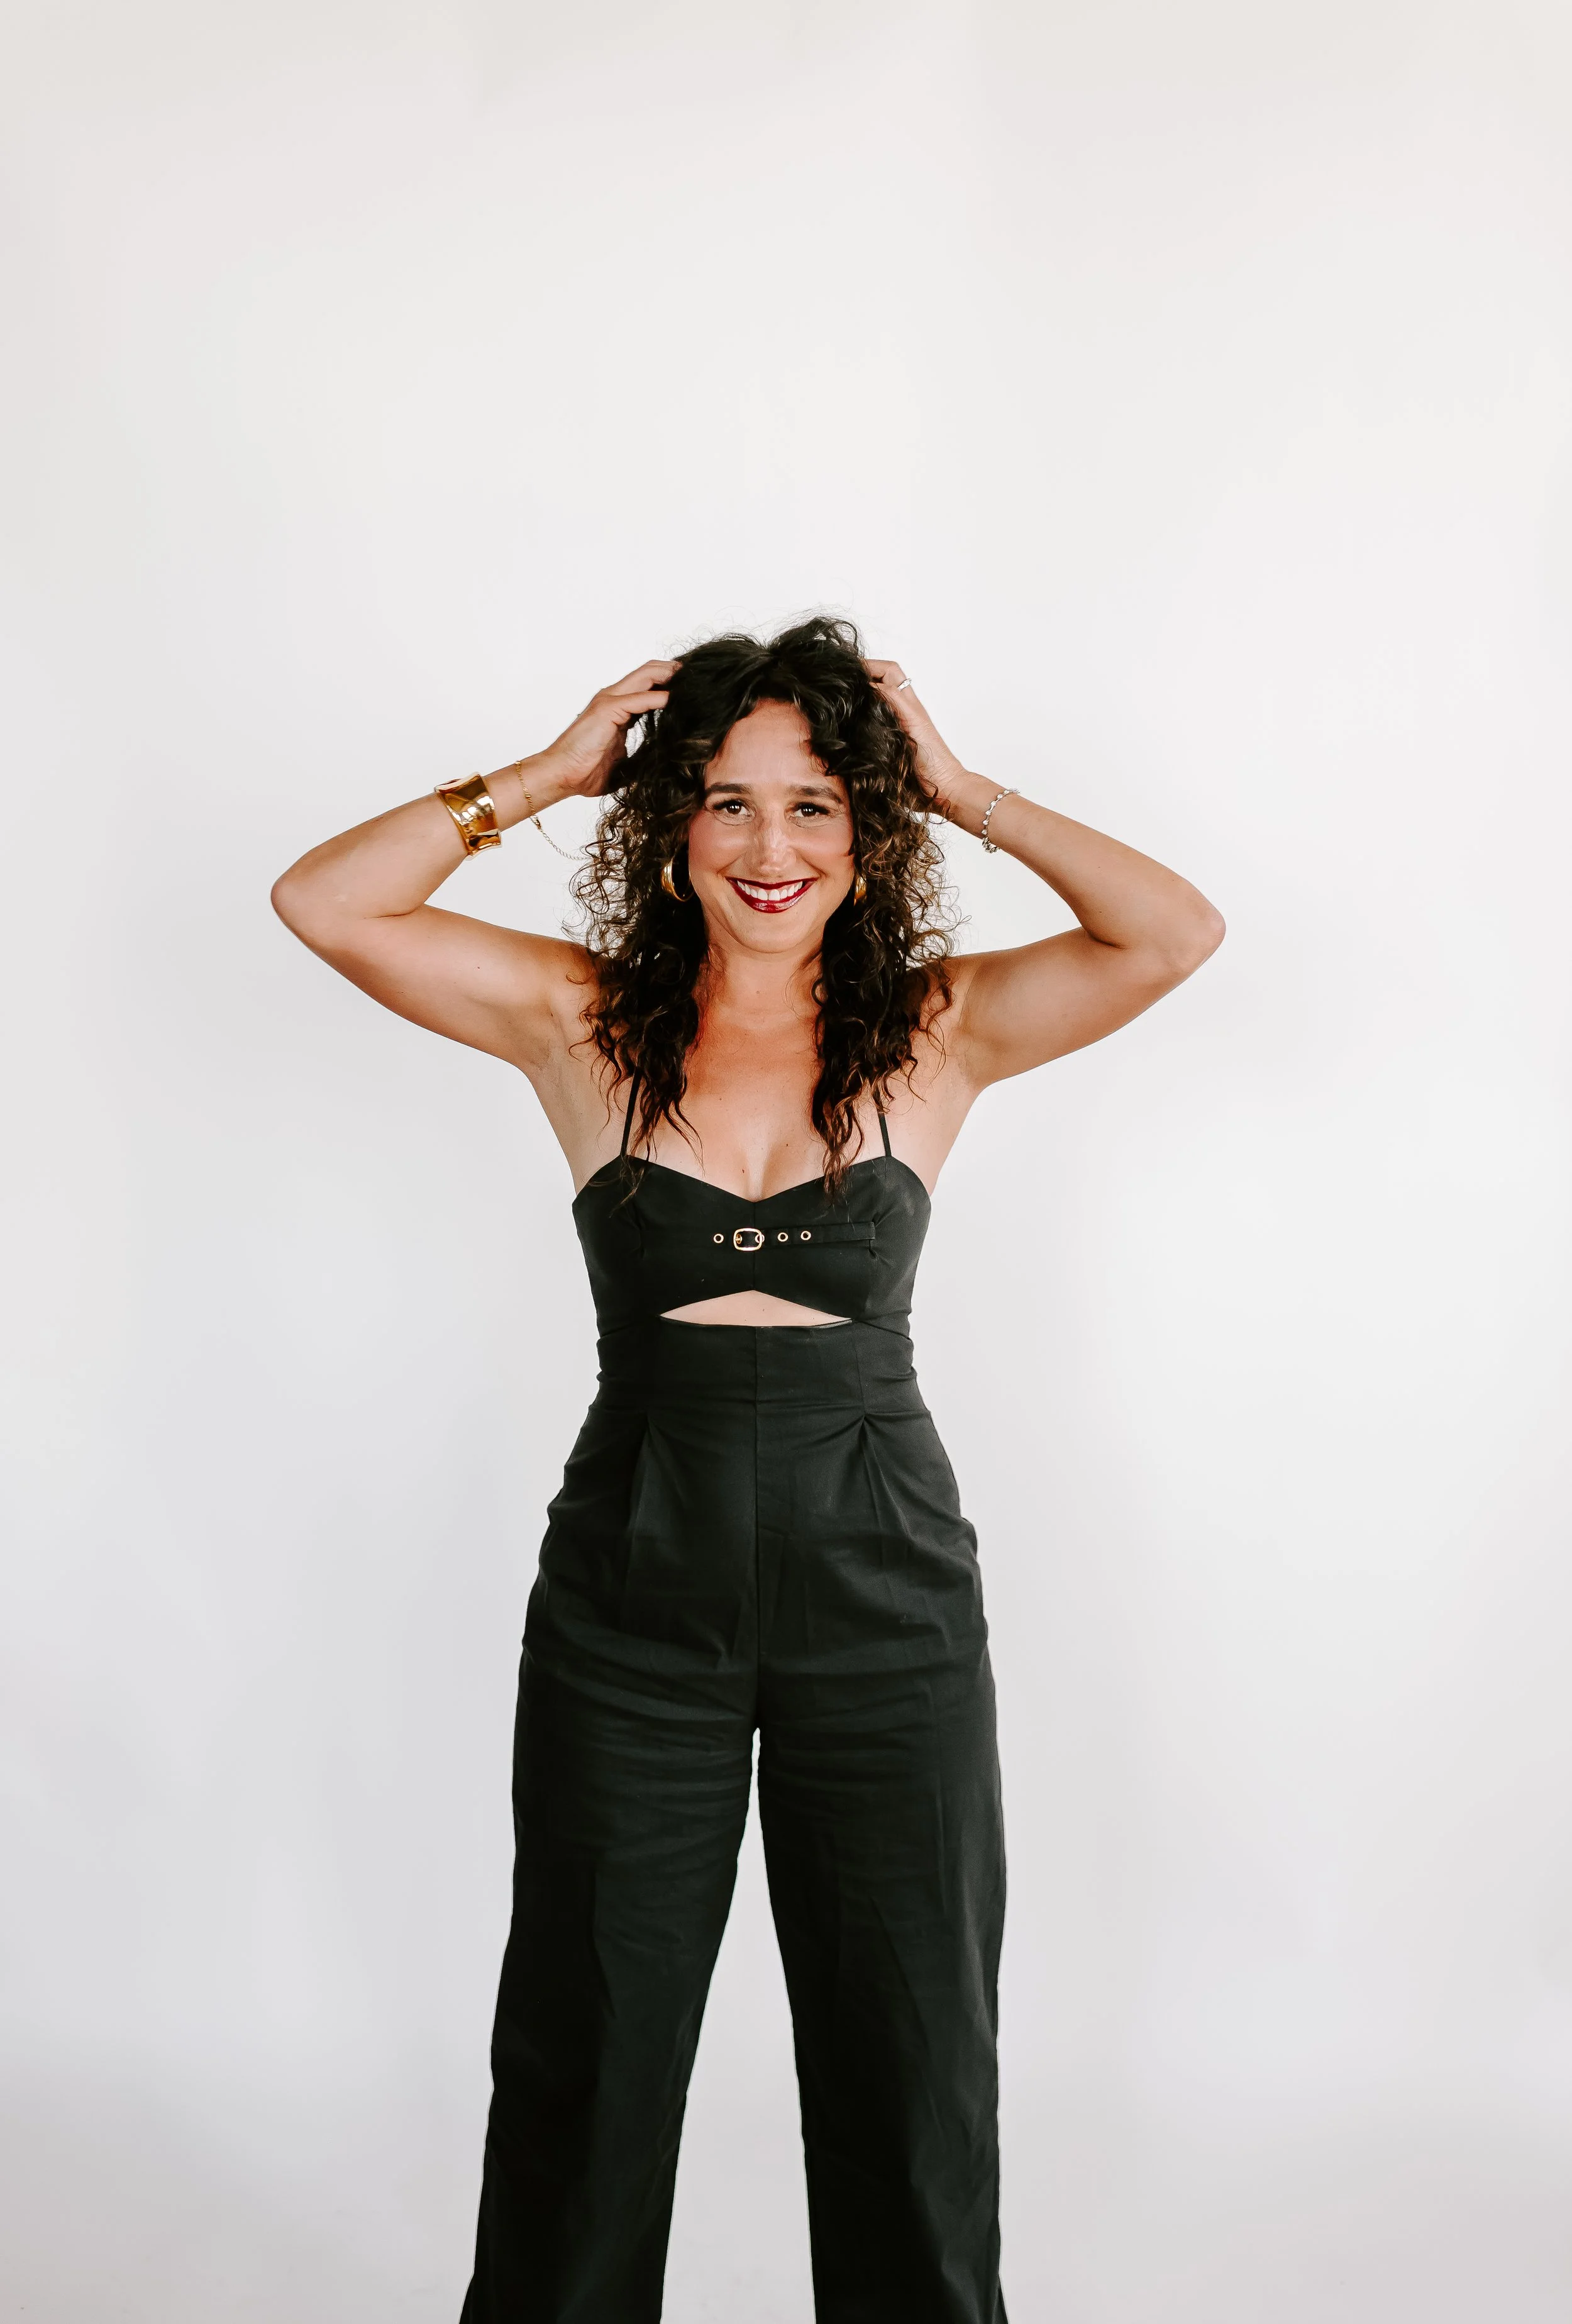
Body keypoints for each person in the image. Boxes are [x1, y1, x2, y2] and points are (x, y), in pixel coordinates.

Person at [270, 614, 1224, 2323]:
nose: (767, 848)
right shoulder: (582, 1024)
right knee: (592, 2042)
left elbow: (1172, 933)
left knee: (910, 2056)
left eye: (812, 806)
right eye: (724, 803)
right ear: (671, 829)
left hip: (887, 1598)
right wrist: (539, 778)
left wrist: (965, 786)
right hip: (634, 1597)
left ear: (866, 833)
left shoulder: (941, 1029)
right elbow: (325, 902)